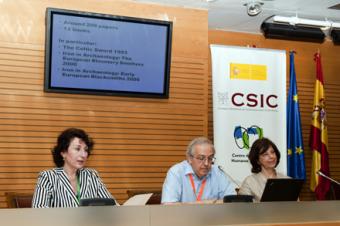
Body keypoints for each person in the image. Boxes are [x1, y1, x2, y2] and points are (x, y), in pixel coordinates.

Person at [32, 128, 115, 208]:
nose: (83, 155)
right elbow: (39, 211)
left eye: (85, 150)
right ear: (63, 152)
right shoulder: (48, 177)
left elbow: (112, 206)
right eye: (77, 149)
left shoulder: (92, 175)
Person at [161, 137, 237, 204]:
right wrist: (202, 204)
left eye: (210, 158)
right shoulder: (176, 172)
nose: (207, 163)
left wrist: (211, 203)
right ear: (189, 158)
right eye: (201, 158)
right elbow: (168, 205)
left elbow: (232, 201)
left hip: (213, 218)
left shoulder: (218, 172)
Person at [238, 137, 289, 202]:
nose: (271, 156)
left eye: (273, 152)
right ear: (257, 160)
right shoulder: (249, 182)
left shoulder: (288, 180)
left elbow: (296, 207)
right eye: (265, 154)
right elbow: (242, 208)